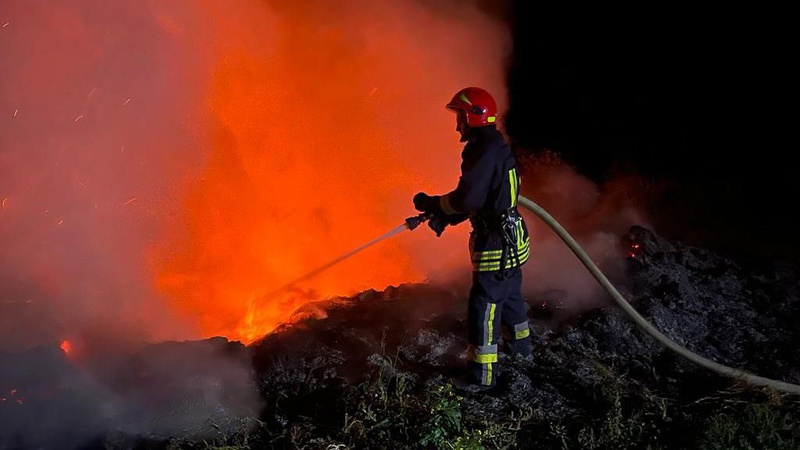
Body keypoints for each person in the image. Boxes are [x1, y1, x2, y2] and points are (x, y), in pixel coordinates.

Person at [412, 86, 532, 393]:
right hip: (511, 237)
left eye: (460, 117)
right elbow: (482, 199)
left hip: (495, 242)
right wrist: (445, 217)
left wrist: (433, 204)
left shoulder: (481, 149)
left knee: (485, 305)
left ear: (474, 116)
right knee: (511, 299)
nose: (457, 126)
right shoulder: (495, 146)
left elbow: (468, 199)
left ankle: (481, 377)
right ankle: (523, 355)